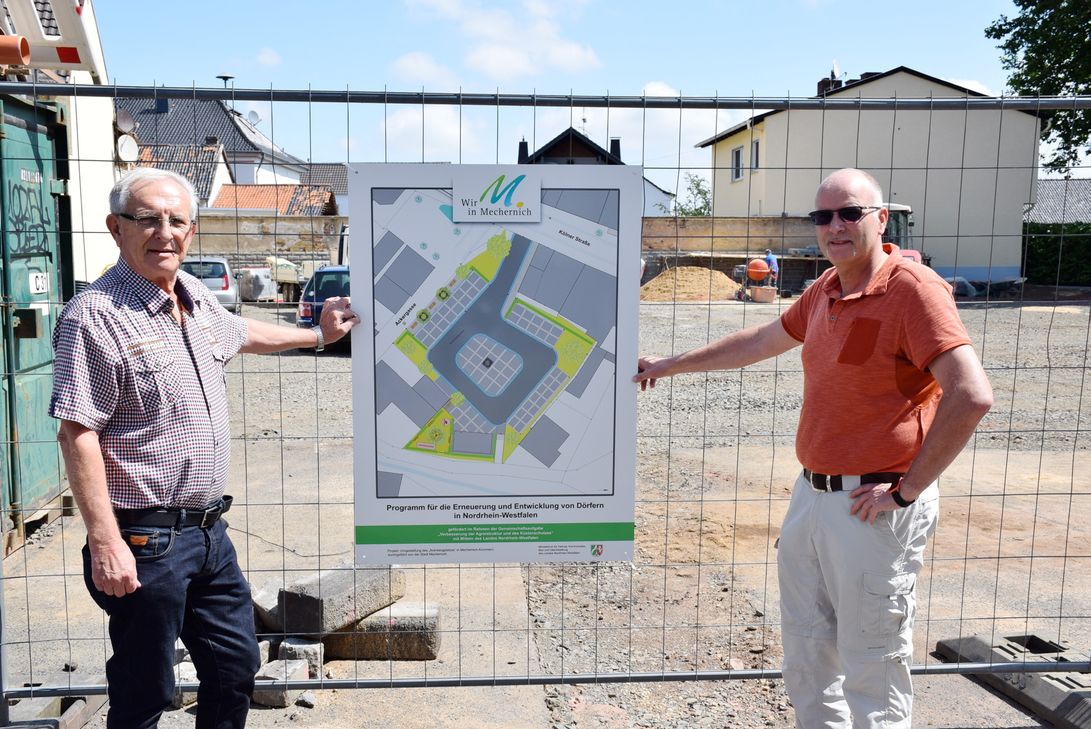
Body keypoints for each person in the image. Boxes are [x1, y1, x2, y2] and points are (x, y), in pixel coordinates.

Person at [633, 168, 992, 728]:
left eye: (850, 213)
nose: (834, 226)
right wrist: (669, 365)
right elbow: (759, 340)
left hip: (874, 505)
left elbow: (971, 395)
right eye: (822, 216)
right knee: (806, 652)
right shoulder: (826, 289)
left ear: (881, 218)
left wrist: (908, 491)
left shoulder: (913, 292)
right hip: (813, 495)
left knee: (872, 663)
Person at [50, 168, 359, 728]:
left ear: (191, 231)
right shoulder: (94, 317)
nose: (163, 232)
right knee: (146, 689)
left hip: (209, 533)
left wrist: (318, 336)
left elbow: (241, 332)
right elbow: (77, 431)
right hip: (145, 538)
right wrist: (105, 541)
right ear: (116, 228)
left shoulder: (192, 296)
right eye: (147, 219)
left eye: (176, 220)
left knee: (235, 668)